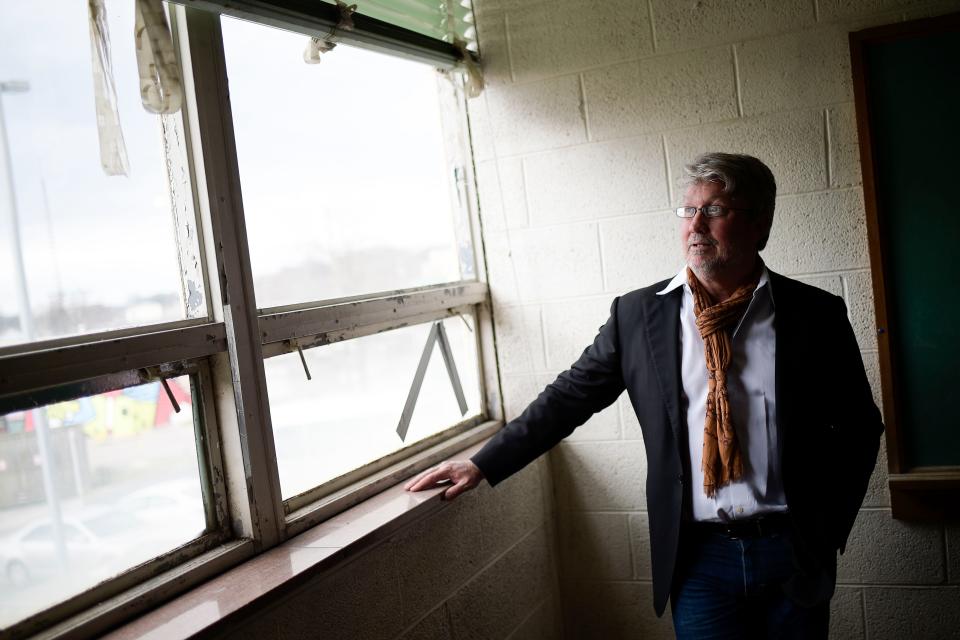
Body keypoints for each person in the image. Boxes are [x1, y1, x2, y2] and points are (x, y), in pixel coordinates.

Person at [405, 152, 884, 639]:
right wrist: (483, 464)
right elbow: (571, 395)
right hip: (699, 559)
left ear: (761, 223)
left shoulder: (814, 313)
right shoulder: (639, 315)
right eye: (688, 210)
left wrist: (827, 531)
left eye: (716, 210)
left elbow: (860, 428)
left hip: (793, 552)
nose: (696, 224)